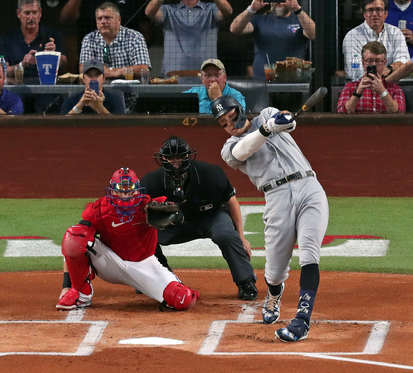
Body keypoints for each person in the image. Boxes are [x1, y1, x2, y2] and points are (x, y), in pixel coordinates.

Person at [210, 95, 328, 343]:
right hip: (276, 197)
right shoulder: (228, 149)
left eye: (231, 115)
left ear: (240, 109)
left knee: (309, 253)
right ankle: (274, 293)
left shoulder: (266, 114)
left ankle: (301, 321)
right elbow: (246, 148)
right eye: (223, 123)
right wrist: (266, 129)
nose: (230, 123)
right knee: (274, 273)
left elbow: (288, 121)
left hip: (309, 187)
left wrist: (281, 119)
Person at [56, 168, 199, 311]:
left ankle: (168, 287)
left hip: (144, 265)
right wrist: (66, 285)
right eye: (121, 190)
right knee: (74, 236)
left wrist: (175, 216)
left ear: (137, 190)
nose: (125, 195)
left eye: (129, 190)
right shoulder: (99, 209)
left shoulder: (148, 206)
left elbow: (178, 213)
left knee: (182, 299)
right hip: (109, 262)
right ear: (112, 190)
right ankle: (81, 294)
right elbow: (73, 242)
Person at [140, 136, 257, 300]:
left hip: (211, 218)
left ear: (188, 156)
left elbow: (231, 201)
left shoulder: (211, 173)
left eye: (180, 157)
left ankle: (246, 282)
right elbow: (139, 212)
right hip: (176, 224)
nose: (176, 162)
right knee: (143, 236)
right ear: (163, 159)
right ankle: (160, 278)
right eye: (171, 158)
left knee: (226, 235)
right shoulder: (151, 181)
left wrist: (241, 236)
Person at [145, 0, 233, 77]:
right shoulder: (168, 10)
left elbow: (228, 11)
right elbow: (149, 12)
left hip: (206, 76)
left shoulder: (211, 9)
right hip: (173, 76)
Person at [230, 0, 315, 82]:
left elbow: (313, 34)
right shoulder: (259, 20)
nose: (278, 1)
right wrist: (252, 9)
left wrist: (297, 8)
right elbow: (234, 29)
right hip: (262, 83)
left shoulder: (300, 19)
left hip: (293, 82)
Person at [0, 0, 67, 114]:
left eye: (35, 12)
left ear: (40, 13)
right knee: (13, 102)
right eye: (27, 13)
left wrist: (54, 56)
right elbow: (2, 71)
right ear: (18, 14)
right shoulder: (7, 39)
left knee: (50, 103)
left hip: (46, 88)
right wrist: (21, 65)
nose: (31, 17)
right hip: (18, 88)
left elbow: (66, 67)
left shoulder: (53, 35)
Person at [342, 0, 409, 80]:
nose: (374, 14)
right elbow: (354, 70)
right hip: (360, 87)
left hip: (391, 85)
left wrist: (389, 69)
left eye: (378, 10)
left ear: (386, 14)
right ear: (364, 14)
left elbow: (404, 61)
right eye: (370, 10)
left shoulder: (396, 33)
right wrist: (380, 74)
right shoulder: (352, 36)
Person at [336, 41, 405, 114]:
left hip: (385, 125)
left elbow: (399, 113)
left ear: (384, 63)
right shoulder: (350, 87)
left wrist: (382, 91)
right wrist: (358, 92)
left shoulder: (395, 89)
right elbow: (341, 113)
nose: (374, 64)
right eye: (369, 61)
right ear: (363, 63)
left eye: (378, 61)